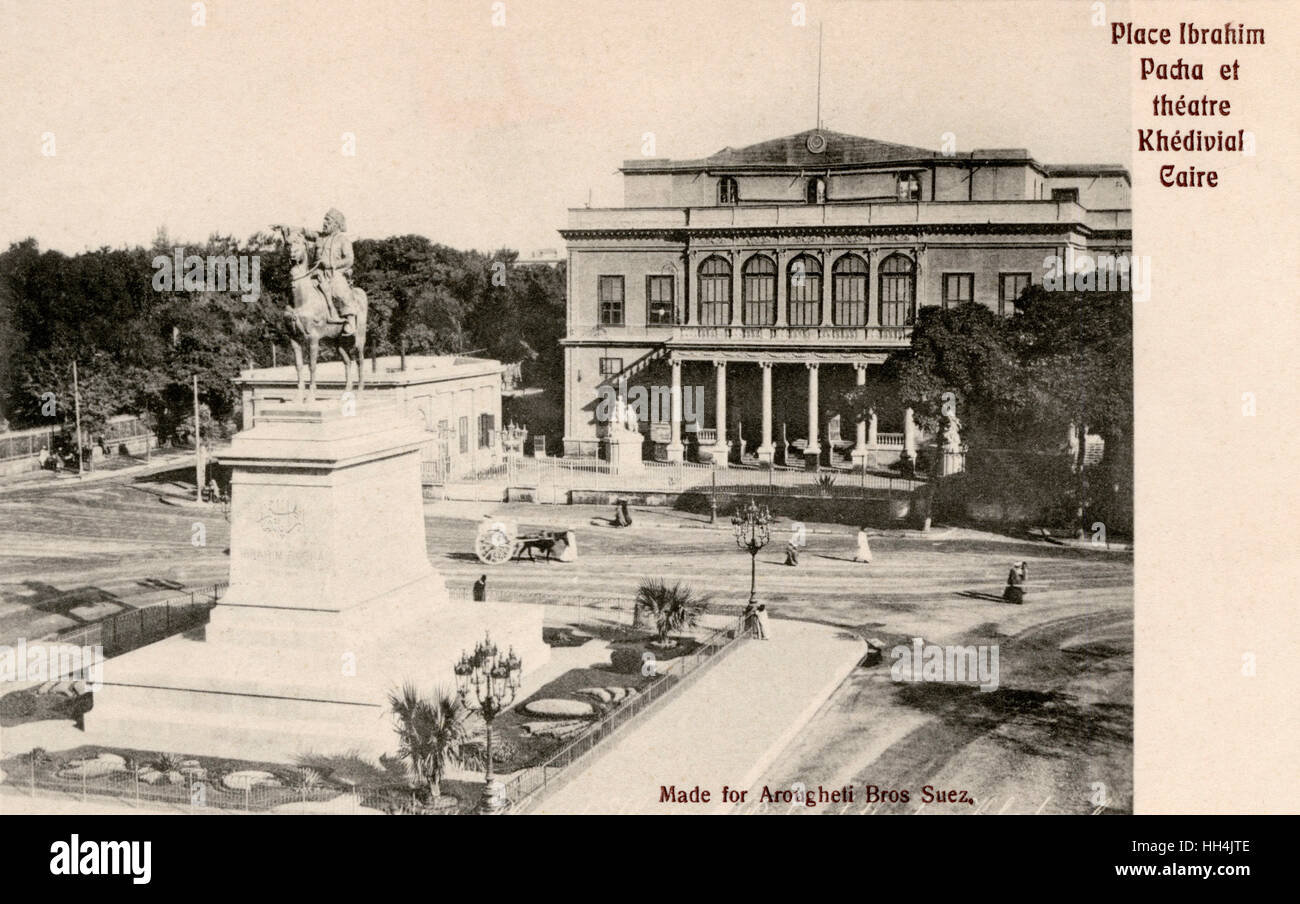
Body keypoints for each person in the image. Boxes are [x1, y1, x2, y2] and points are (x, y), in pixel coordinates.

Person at [303, 208, 358, 336]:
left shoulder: (343, 240)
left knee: (340, 289)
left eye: (328, 220)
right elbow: (304, 231)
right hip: (315, 272)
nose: (324, 222)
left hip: (334, 273)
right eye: (324, 219)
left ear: (336, 224)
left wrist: (332, 264)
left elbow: (350, 259)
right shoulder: (319, 237)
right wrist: (286, 227)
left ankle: (350, 320)